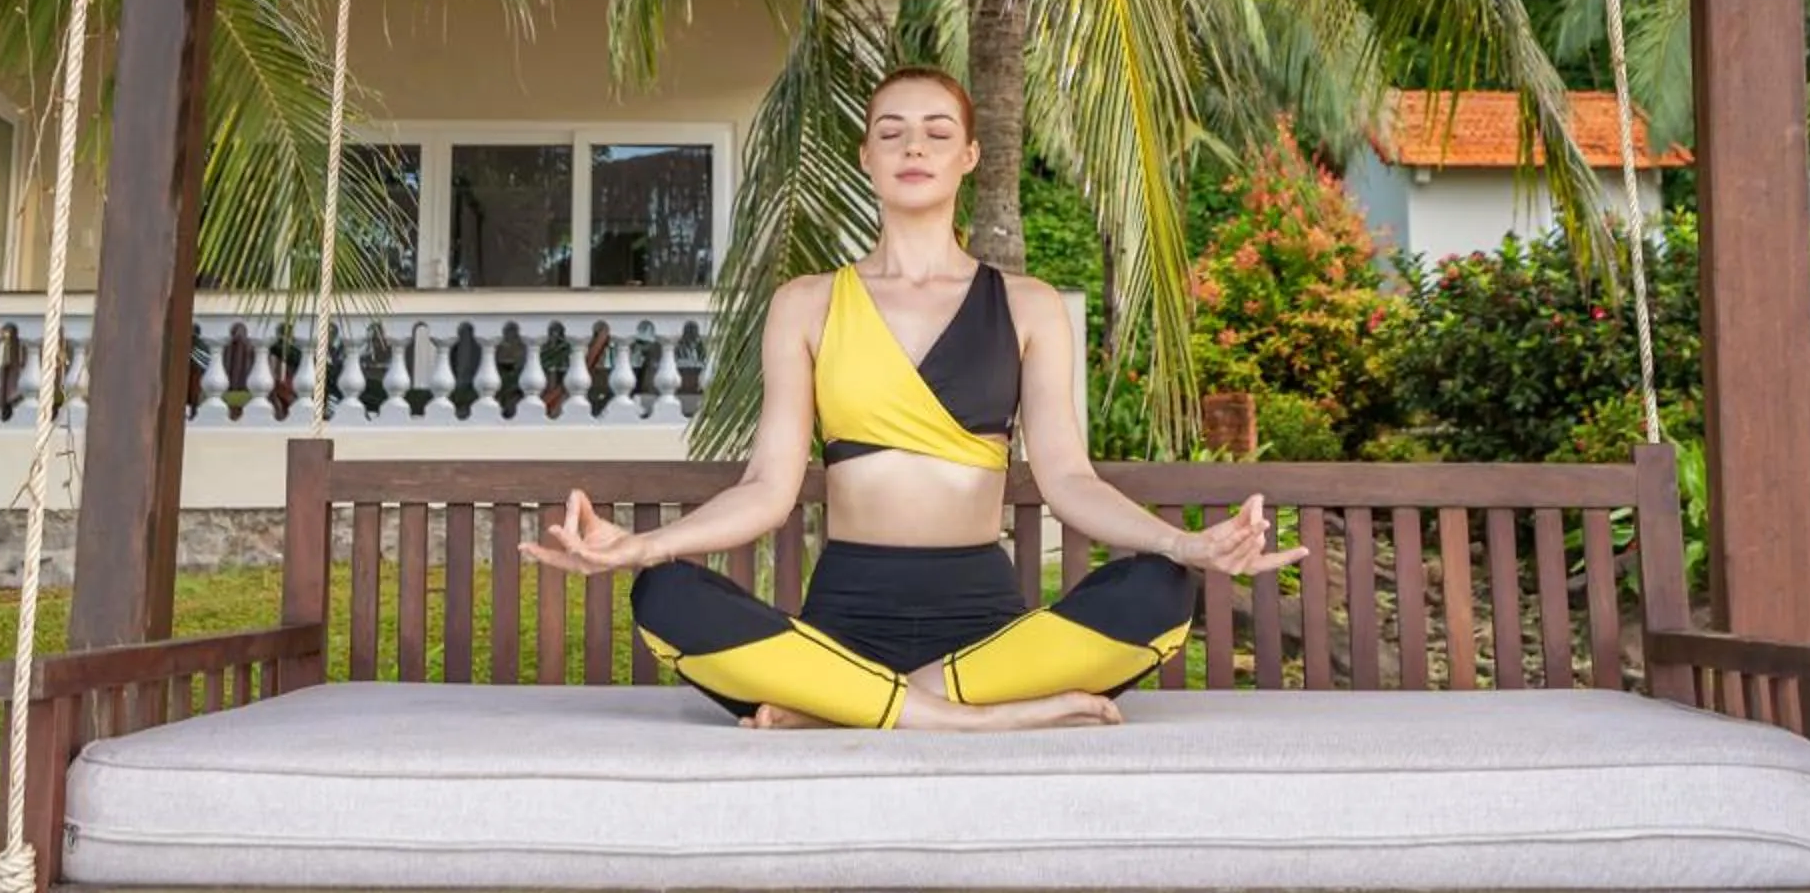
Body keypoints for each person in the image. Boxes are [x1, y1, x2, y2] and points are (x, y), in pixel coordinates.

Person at [522, 64, 1305, 731]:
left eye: (936, 131)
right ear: (865, 156)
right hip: (843, 622)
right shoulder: (807, 303)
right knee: (665, 597)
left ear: (969, 155)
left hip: (984, 635)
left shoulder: (1027, 307)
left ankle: (852, 708)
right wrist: (642, 548)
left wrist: (1186, 546)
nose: (914, 146)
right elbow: (767, 487)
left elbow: (1069, 479)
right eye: (891, 132)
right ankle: (976, 718)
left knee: (1159, 594)